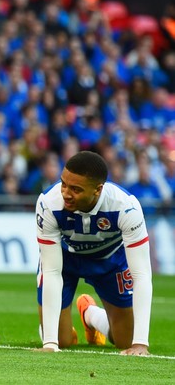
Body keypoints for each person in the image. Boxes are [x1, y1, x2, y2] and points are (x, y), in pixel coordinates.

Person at [36, 151, 152, 356]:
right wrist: (50, 343)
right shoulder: (48, 203)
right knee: (61, 341)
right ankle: (56, 333)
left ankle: (90, 314)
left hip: (110, 260)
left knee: (126, 340)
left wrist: (140, 344)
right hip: (65, 260)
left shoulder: (126, 207)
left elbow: (141, 274)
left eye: (76, 189)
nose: (65, 193)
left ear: (98, 190)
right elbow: (52, 271)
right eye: (63, 184)